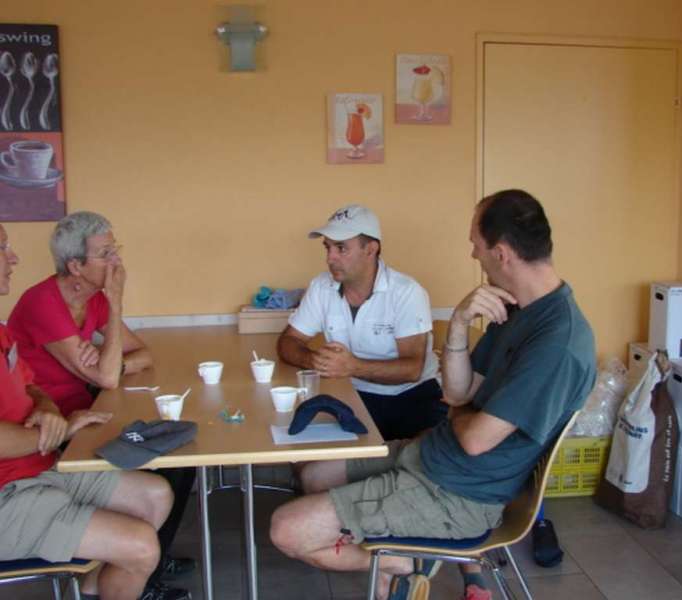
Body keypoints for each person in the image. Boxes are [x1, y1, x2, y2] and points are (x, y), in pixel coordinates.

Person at [269, 189, 596, 600]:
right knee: (313, 474)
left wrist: (456, 414)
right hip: (432, 454)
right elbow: (459, 392)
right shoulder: (516, 310)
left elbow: (473, 437)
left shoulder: (556, 342)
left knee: (285, 529)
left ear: (502, 253)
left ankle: (401, 562)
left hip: (460, 494)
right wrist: (458, 322)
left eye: (476, 245)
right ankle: (396, 557)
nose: (472, 254)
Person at [7, 212, 193, 600]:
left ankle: (97, 587)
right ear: (76, 266)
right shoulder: (42, 302)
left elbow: (137, 355)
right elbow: (106, 379)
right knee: (144, 538)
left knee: (159, 490)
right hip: (20, 478)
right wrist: (51, 428)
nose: (13, 259)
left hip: (52, 445)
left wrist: (45, 406)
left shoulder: (2, 331)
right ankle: (134, 567)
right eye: (106, 253)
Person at [277, 204, 447, 441]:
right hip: (351, 394)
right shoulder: (321, 287)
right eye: (327, 247)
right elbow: (289, 341)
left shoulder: (407, 292)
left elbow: (412, 369)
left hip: (413, 397)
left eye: (341, 248)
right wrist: (313, 360)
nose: (330, 258)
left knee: (422, 461)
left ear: (370, 249)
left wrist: (352, 367)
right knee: (305, 456)